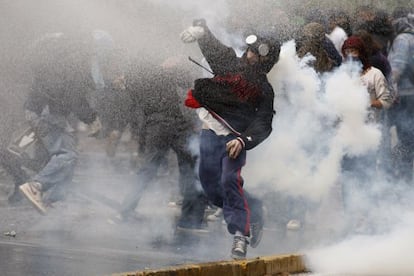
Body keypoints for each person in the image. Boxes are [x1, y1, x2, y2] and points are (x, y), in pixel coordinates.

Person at [180, 19, 280, 259]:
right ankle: (253, 210)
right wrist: (201, 32)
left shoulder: (265, 89)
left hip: (235, 139)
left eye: (255, 53)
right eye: (249, 50)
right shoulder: (230, 63)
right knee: (210, 187)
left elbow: (263, 123)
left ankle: (239, 235)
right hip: (210, 131)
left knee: (229, 181)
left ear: (266, 60)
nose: (249, 55)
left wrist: (244, 140)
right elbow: (216, 49)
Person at [118, 57, 208, 233]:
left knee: (152, 168)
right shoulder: (156, 67)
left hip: (159, 123)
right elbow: (186, 80)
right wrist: (168, 68)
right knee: (189, 166)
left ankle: (127, 209)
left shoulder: (138, 72)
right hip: (169, 121)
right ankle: (191, 218)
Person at [18, 33, 98, 214]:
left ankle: (55, 198)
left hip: (39, 110)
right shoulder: (74, 65)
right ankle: (36, 187)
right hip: (49, 114)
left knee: (64, 157)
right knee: (67, 155)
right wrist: (92, 118)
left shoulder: (59, 61)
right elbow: (76, 99)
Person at [340, 36, 393, 233]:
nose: (351, 55)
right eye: (348, 51)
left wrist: (367, 103)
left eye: (355, 51)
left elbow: (386, 100)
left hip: (367, 134)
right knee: (346, 176)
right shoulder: (342, 75)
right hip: (346, 135)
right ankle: (350, 216)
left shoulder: (374, 75)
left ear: (362, 53)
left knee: (364, 175)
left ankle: (365, 217)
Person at [387, 15, 414, 184]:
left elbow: (398, 66)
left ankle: (404, 174)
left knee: (404, 134)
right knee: (408, 134)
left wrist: (386, 88)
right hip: (410, 94)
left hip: (405, 94)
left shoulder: (402, 39)